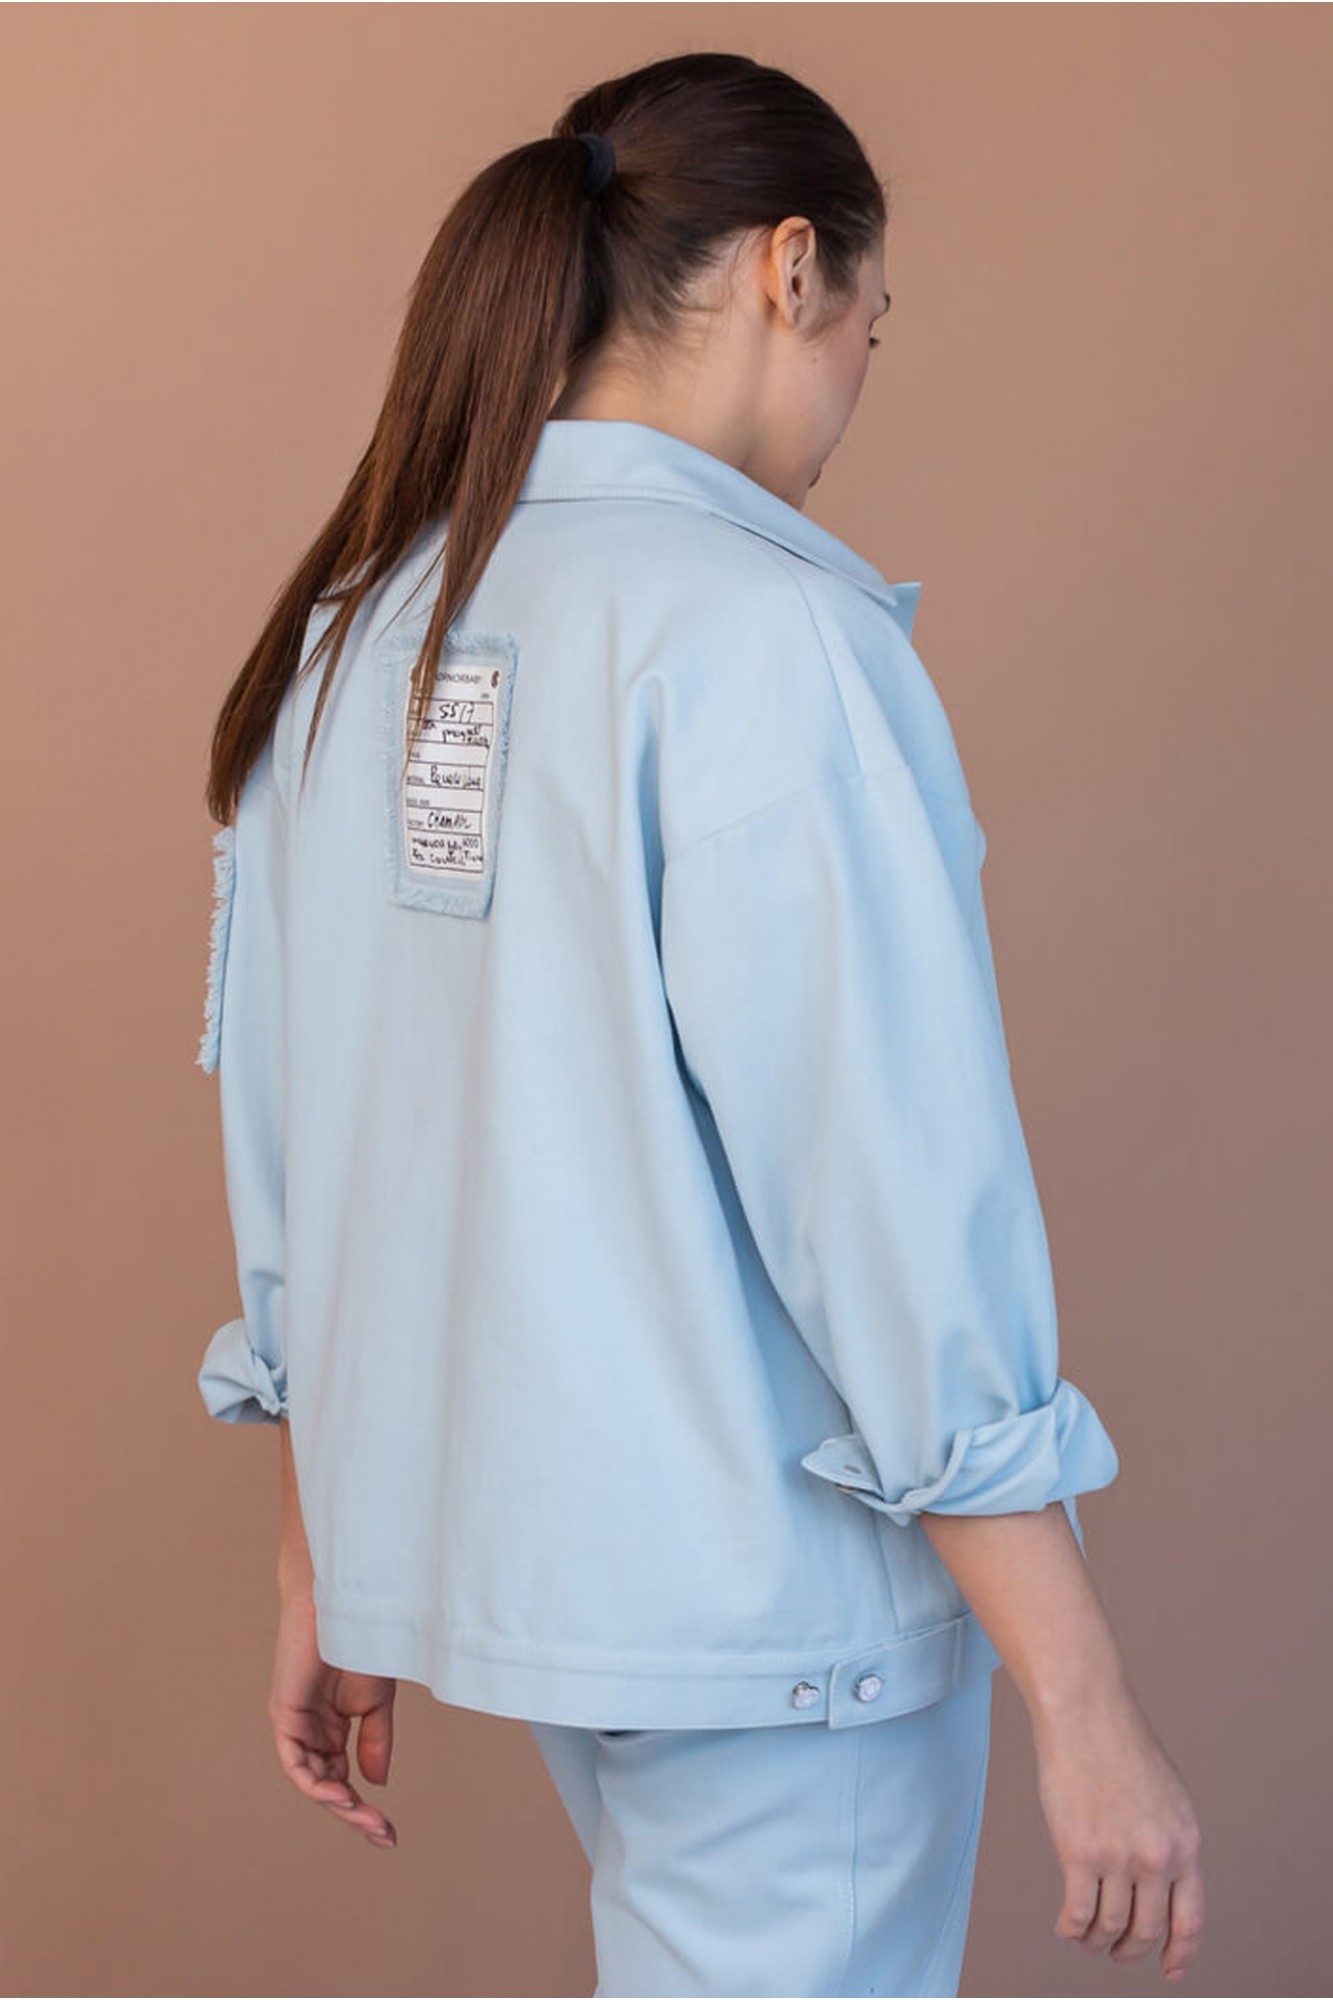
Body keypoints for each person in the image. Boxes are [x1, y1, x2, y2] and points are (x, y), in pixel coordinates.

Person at [194, 51, 1205, 1998]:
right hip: (777, 1625)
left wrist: (330, 1548)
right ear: (789, 269)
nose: (854, 392)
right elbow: (882, 1198)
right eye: (870, 329)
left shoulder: (357, 638)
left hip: (524, 1590)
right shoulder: (765, 636)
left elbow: (313, 1138)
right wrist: (1081, 1695)